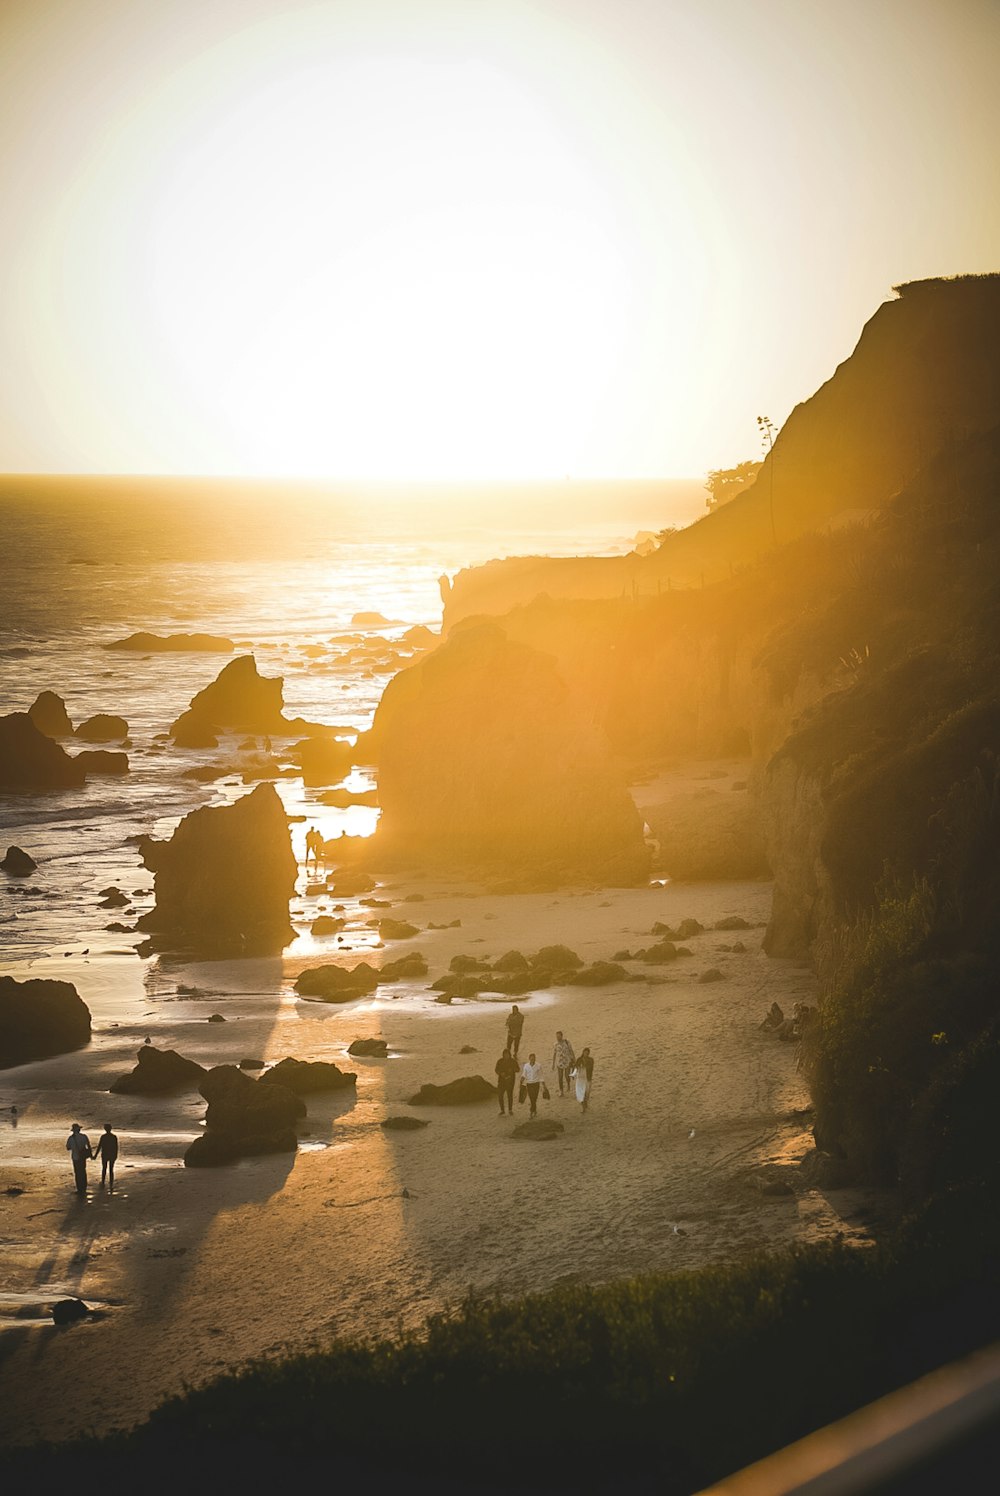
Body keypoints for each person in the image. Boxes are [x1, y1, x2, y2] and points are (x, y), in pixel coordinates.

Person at [66, 1122, 92, 1196]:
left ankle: (79, 1188)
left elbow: (68, 1148)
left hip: (75, 1157)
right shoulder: (84, 1136)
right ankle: (84, 1187)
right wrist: (91, 1155)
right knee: (83, 1172)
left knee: (77, 1173)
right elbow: (88, 1146)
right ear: (79, 1130)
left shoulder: (71, 1138)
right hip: (83, 1157)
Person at [95, 1123, 119, 1189]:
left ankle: (103, 1182)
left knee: (104, 1168)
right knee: (111, 1169)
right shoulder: (114, 1137)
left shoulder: (103, 1137)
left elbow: (99, 1146)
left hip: (105, 1154)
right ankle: (111, 1183)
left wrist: (95, 1155)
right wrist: (115, 1155)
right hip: (112, 1154)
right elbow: (116, 1147)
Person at [495, 1045, 517, 1116]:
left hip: (510, 1082)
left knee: (509, 1095)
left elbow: (518, 1069)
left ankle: (510, 1110)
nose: (506, 1056)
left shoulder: (513, 1061)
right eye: (504, 1054)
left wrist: (512, 1070)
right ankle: (502, 1110)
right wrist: (501, 1073)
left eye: (507, 1054)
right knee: (500, 1095)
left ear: (509, 1054)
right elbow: (496, 1070)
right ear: (503, 1055)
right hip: (501, 1081)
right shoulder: (500, 1061)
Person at [520, 1052, 544, 1118]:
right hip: (529, 1084)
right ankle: (532, 1112)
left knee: (534, 1098)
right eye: (531, 1059)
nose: (532, 1060)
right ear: (529, 1059)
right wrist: (521, 1080)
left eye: (534, 1059)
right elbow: (524, 1074)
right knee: (532, 1098)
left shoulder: (538, 1066)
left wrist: (543, 1084)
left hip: (536, 1084)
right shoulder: (526, 1066)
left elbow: (541, 1075)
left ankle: (534, 1111)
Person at [551, 1030, 575, 1096]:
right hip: (559, 1063)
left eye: (559, 1036)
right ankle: (561, 1091)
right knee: (560, 1077)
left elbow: (571, 1051)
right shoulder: (555, 1044)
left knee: (567, 1076)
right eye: (556, 1037)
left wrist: (574, 1060)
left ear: (562, 1036)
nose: (558, 1038)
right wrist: (553, 1064)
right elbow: (554, 1054)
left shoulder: (567, 1042)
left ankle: (568, 1084)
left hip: (567, 1061)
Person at [572, 1048, 595, 1113]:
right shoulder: (579, 1059)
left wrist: (583, 1067)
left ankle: (585, 1103)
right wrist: (573, 1074)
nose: (586, 1054)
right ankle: (583, 1108)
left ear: (588, 1053)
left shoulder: (591, 1060)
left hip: (588, 1079)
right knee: (582, 1094)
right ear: (583, 1052)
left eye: (587, 1053)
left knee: (587, 1093)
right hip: (581, 1079)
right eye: (585, 1052)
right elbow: (576, 1067)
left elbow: (590, 1067)